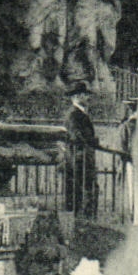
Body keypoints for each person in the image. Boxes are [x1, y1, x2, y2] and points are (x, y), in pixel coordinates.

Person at [62, 83, 98, 221]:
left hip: (83, 157)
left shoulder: (81, 113)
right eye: (84, 94)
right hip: (77, 158)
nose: (87, 97)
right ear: (76, 97)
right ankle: (80, 221)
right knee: (79, 191)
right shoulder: (73, 114)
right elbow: (76, 135)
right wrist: (91, 141)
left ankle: (85, 219)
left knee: (86, 190)